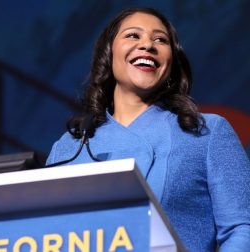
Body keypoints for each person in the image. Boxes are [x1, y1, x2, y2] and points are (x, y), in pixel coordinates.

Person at [46, 7, 250, 251]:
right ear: (108, 54)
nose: (147, 45)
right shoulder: (71, 145)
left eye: (160, 40)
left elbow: (242, 228)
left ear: (171, 63)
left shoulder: (206, 132)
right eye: (133, 35)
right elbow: (45, 232)